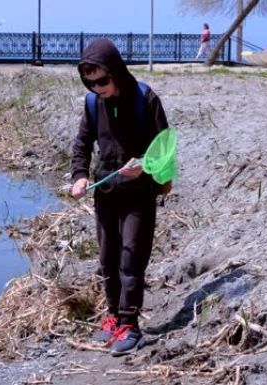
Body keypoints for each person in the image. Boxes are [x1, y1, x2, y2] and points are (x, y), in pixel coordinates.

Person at [70, 38, 172, 356]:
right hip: (106, 193)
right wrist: (80, 177)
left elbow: (166, 149)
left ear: (116, 70)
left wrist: (146, 166)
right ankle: (113, 317)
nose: (97, 87)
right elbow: (81, 145)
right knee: (108, 259)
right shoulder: (92, 104)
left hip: (139, 195)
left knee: (131, 258)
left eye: (102, 80)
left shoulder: (145, 98)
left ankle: (131, 325)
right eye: (90, 82)